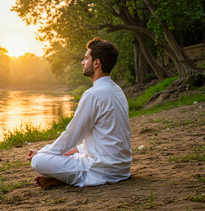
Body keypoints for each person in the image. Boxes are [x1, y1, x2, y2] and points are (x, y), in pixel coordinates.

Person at [27, 37, 132, 189]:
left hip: (101, 170)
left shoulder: (93, 94)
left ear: (96, 63)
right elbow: (104, 137)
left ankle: (69, 179)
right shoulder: (117, 91)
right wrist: (62, 153)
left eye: (86, 58)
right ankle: (65, 177)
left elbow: (72, 135)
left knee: (38, 161)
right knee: (70, 152)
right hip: (122, 169)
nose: (82, 63)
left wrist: (42, 153)